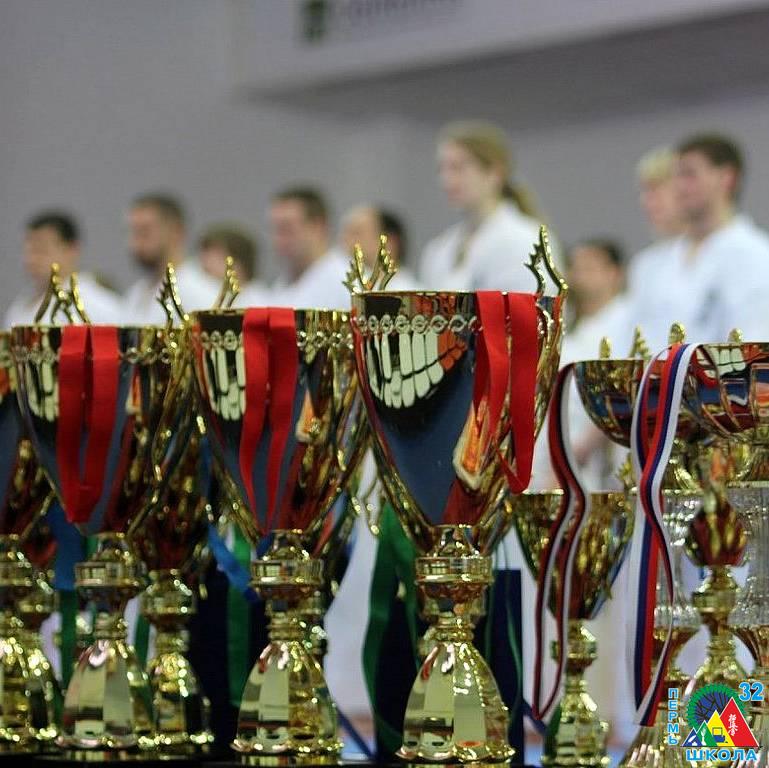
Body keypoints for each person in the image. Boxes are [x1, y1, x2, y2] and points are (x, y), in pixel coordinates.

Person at [628, 133, 769, 351]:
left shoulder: (756, 256)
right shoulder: (650, 264)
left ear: (726, 178)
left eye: (689, 175)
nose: (679, 186)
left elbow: (754, 348)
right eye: (676, 176)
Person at [420, 120, 547, 292]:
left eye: (458, 167)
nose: (446, 180)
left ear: (495, 173)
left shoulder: (526, 241)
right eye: (442, 169)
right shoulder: (439, 249)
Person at [4, 210, 119, 327]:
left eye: (40, 250)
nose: (30, 260)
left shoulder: (98, 304)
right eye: (28, 251)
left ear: (72, 249)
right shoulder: (19, 308)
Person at [122, 192, 220, 323]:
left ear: (176, 231)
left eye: (145, 231)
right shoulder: (135, 295)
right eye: (134, 232)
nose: (136, 242)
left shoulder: (201, 292)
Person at [269, 187, 350, 308]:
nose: (278, 239)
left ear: (317, 226)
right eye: (276, 230)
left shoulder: (347, 283)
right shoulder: (280, 286)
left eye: (287, 229)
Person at [340, 204, 419, 289]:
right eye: (346, 234)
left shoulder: (410, 291)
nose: (346, 240)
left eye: (357, 233)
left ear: (389, 242)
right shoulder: (345, 284)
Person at [197, 222, 268, 306]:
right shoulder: (210, 295)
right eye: (206, 256)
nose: (207, 263)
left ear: (239, 263)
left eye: (217, 256)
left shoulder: (261, 301)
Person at [637, 146, 685, 239]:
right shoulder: (654, 250)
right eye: (645, 190)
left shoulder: (714, 242)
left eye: (655, 188)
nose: (645, 200)